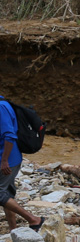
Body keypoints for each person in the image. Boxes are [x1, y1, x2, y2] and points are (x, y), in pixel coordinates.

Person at [0, 96, 42, 234]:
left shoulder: (1, 107)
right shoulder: (4, 104)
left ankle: (33, 219)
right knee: (7, 195)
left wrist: (4, 160)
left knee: (1, 195)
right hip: (10, 159)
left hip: (7, 161)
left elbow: (9, 136)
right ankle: (13, 231)